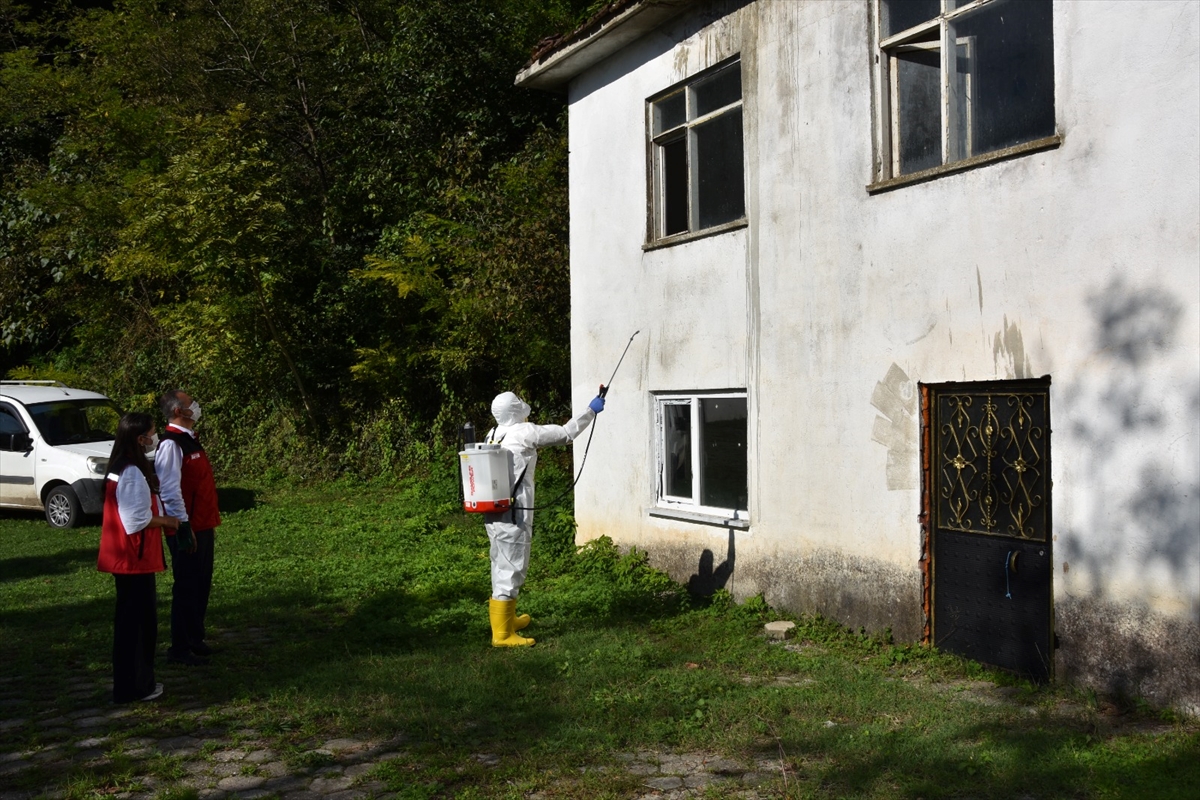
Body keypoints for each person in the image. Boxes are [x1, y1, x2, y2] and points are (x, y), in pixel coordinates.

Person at [483, 390, 605, 647]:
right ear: (515, 409)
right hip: (515, 513)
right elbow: (566, 433)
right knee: (512, 566)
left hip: (493, 513)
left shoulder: (493, 434)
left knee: (500, 562)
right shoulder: (523, 432)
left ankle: (507, 620)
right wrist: (590, 411)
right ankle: (502, 635)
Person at [98, 412, 178, 703]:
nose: (154, 437)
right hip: (134, 558)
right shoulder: (131, 471)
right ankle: (135, 686)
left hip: (127, 558)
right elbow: (135, 520)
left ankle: (132, 684)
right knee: (138, 627)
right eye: (152, 433)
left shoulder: (120, 466)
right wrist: (166, 521)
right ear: (139, 437)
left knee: (131, 624)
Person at [155, 390, 221, 665]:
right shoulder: (171, 444)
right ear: (179, 412)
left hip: (203, 523)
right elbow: (169, 491)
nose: (196, 404)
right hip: (186, 526)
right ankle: (179, 647)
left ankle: (195, 637)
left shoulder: (190, 441)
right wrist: (183, 526)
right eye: (190, 401)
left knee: (201, 583)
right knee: (186, 586)